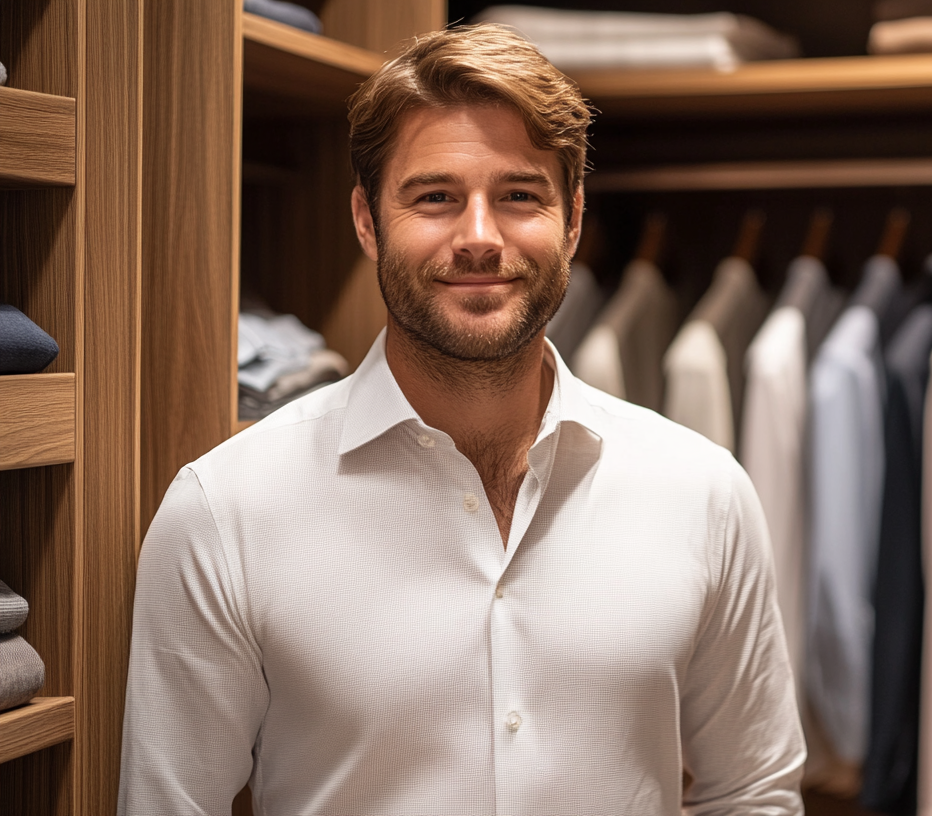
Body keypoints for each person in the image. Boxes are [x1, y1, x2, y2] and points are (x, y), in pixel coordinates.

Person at [118, 24, 805, 816]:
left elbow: (753, 791)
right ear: (368, 220)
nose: (480, 237)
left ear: (573, 220)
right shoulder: (225, 512)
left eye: (519, 195)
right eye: (435, 197)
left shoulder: (703, 492)